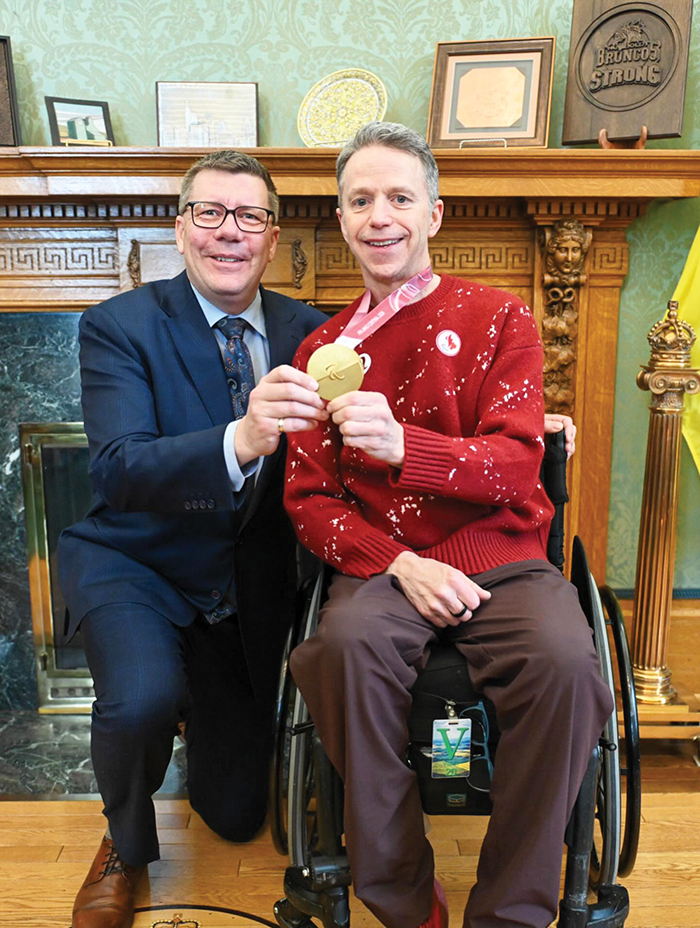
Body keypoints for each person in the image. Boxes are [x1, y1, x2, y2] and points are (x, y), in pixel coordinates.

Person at [284, 123, 612, 928]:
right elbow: (310, 502)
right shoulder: (321, 348)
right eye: (360, 200)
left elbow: (515, 466)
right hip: (383, 569)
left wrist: (405, 446)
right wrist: (398, 563)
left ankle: (511, 911)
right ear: (341, 216)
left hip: (504, 559)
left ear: (434, 212)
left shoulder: (501, 318)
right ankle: (405, 904)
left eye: (400, 196)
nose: (379, 215)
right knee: (343, 651)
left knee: (569, 664)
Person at [58, 150, 328, 928]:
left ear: (273, 238)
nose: (228, 232)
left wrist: (515, 425)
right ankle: (125, 845)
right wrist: (241, 438)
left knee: (236, 814)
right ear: (181, 229)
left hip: (244, 584)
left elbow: (385, 418)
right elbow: (116, 470)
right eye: (209, 213)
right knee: (141, 700)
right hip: (137, 561)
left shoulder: (310, 331)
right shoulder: (120, 327)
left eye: (249, 216)